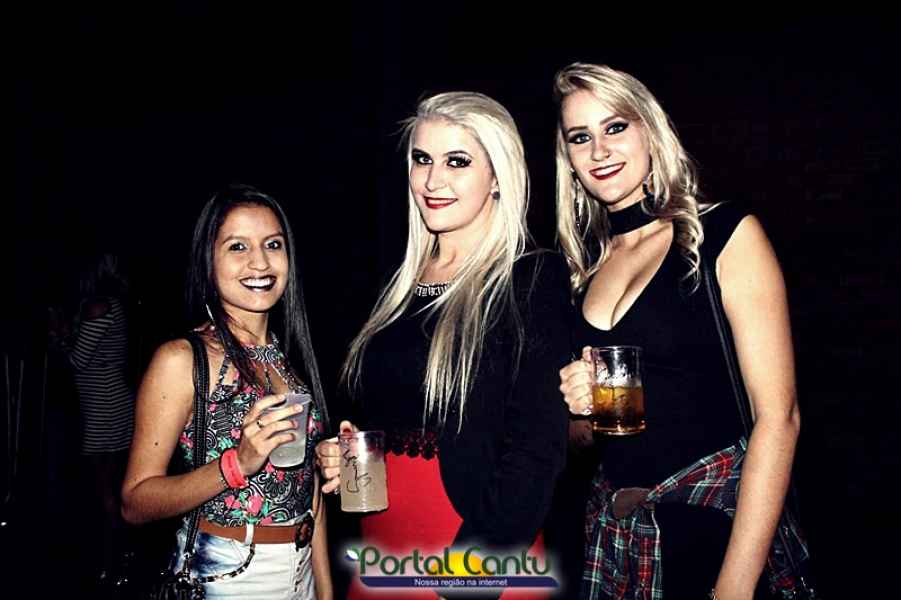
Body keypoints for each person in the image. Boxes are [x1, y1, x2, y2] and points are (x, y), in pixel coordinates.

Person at [554, 64, 802, 599]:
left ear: (649, 129)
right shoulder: (580, 273)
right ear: (568, 158)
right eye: (580, 137)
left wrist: (734, 587)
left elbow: (779, 419)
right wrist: (582, 410)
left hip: (717, 534)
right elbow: (580, 445)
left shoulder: (722, 234)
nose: (599, 150)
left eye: (615, 127)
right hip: (621, 542)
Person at [316, 92, 571, 599]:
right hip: (381, 549)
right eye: (422, 159)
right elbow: (398, 414)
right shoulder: (397, 286)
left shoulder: (529, 278)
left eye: (457, 161)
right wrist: (344, 456)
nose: (433, 180)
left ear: (497, 176)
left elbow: (536, 450)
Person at [121, 184, 333, 599]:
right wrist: (237, 464)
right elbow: (135, 502)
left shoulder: (285, 362)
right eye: (238, 246)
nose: (260, 262)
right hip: (230, 574)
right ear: (208, 260)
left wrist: (324, 590)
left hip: (301, 570)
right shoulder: (181, 359)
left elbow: (308, 489)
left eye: (273, 244)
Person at [63, 252, 136, 586]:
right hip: (109, 400)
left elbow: (77, 360)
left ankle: (112, 562)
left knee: (104, 488)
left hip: (104, 404)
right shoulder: (111, 305)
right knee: (110, 485)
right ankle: (122, 556)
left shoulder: (99, 306)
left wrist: (57, 336)